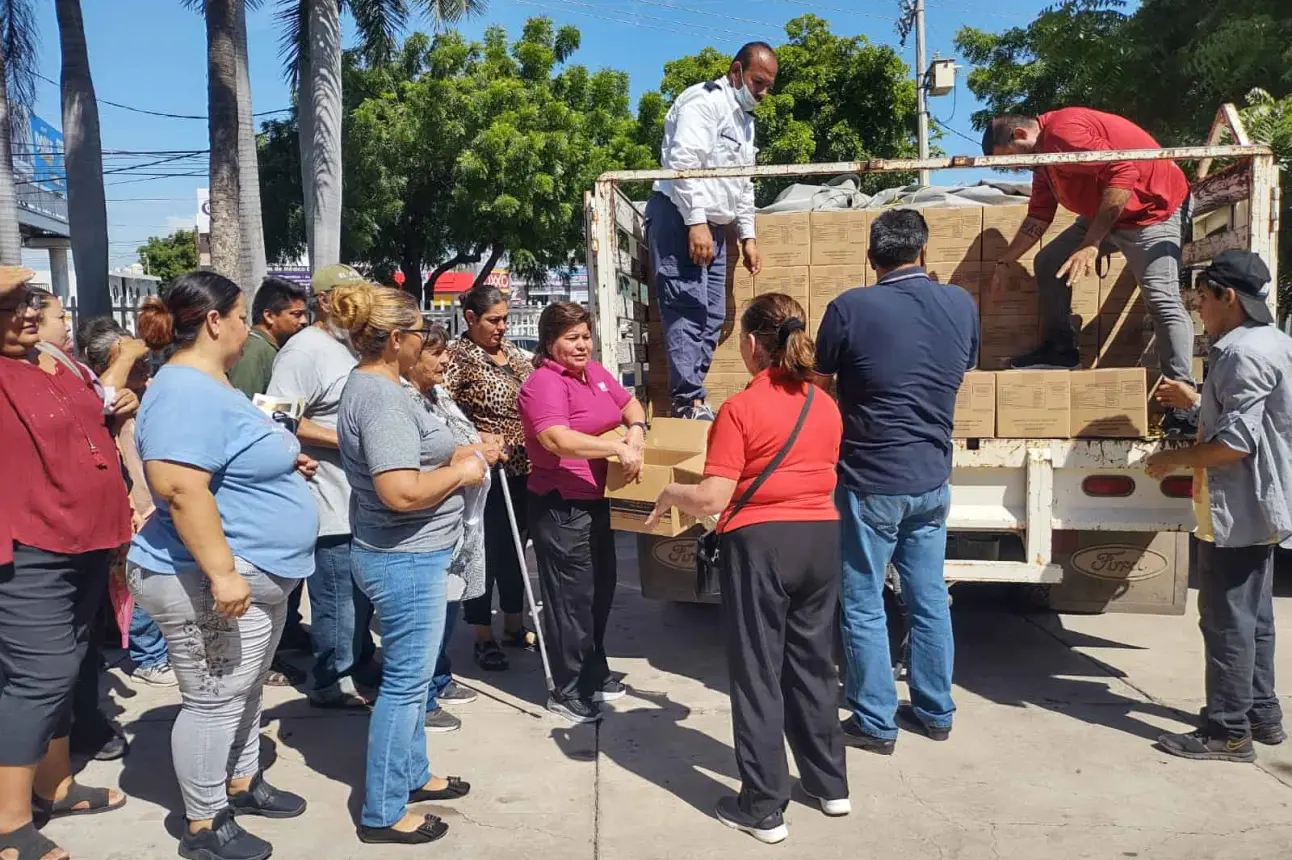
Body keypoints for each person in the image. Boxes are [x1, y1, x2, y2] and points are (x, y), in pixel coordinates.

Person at [646, 293, 849, 845]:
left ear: (755, 345)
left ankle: (763, 807)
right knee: (813, 664)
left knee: (758, 673)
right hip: (823, 538)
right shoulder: (825, 405)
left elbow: (712, 498)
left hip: (762, 543)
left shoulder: (740, 409)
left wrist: (669, 491)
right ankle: (830, 785)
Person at [128, 272, 317, 860]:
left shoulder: (215, 382)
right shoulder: (185, 388)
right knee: (214, 698)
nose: (247, 327)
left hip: (256, 574)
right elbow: (181, 488)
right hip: (203, 577)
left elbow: (232, 457)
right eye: (240, 317)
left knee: (243, 689)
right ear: (216, 321)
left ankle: (241, 779)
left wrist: (286, 465)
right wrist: (223, 573)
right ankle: (204, 823)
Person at [816, 209, 978, 754]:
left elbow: (819, 387)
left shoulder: (850, 307)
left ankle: (875, 720)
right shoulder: (959, 303)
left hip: (870, 478)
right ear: (924, 253)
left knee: (863, 600)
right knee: (929, 597)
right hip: (932, 476)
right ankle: (935, 710)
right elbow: (961, 367)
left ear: (871, 259)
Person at [332, 284, 486, 845]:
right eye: (420, 333)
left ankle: (413, 774)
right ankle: (383, 810)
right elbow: (398, 490)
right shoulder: (380, 398)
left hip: (406, 553)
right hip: (404, 559)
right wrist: (463, 471)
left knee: (412, 680)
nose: (426, 343)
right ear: (396, 338)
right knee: (404, 686)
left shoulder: (385, 388)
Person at [0, 266, 131, 860]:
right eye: (9, 307)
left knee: (71, 663)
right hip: (29, 548)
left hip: (85, 541)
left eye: (28, 302)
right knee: (38, 678)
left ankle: (55, 784)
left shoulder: (51, 359)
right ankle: (8, 825)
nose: (26, 315)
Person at [1146, 250, 1291, 763]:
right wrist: (1196, 399)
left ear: (1228, 298)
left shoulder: (1238, 353)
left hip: (1238, 505)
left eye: (1202, 300)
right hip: (1264, 505)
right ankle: (1262, 714)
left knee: (1226, 620)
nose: (1198, 311)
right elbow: (1248, 411)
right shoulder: (1273, 343)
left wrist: (1173, 459)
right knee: (1254, 617)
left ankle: (1227, 733)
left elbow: (1234, 446)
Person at [982, 109, 1195, 436]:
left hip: (1152, 211)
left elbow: (1124, 171)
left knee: (1162, 300)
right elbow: (1039, 217)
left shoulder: (1065, 132)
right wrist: (1005, 262)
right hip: (1106, 214)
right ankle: (1061, 350)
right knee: (1048, 262)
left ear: (1019, 136)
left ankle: (1183, 402)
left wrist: (1092, 242)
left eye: (1008, 159)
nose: (1013, 168)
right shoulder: (1044, 164)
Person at [517, 302, 647, 724]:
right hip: (562, 505)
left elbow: (632, 406)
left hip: (599, 501)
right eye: (571, 338)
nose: (581, 345)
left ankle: (594, 669)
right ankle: (567, 687)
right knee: (570, 599)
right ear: (550, 342)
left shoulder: (595, 375)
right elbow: (556, 439)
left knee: (600, 590)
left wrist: (636, 431)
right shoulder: (544, 383)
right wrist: (615, 447)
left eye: (585, 336)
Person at [29, 290, 140, 762]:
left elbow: (100, 402)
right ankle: (65, 741)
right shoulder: (37, 368)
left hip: (87, 532)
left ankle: (79, 730)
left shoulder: (64, 366)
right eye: (58, 316)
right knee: (58, 653)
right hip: (54, 535)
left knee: (83, 640)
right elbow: (94, 405)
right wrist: (126, 361)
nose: (66, 324)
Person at [646, 41, 777, 420]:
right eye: (758, 83)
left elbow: (744, 182)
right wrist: (696, 222)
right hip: (681, 217)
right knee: (687, 309)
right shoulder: (702, 103)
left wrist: (747, 235)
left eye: (768, 85)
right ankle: (688, 402)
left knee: (713, 316)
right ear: (736, 72)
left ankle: (693, 396)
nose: (764, 93)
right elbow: (682, 163)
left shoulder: (744, 121)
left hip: (716, 228)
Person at [267, 263, 378, 708]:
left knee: (361, 596)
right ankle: (331, 681)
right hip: (328, 499)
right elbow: (275, 417)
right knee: (336, 599)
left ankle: (360, 661)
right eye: (351, 296)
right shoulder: (303, 351)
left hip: (361, 499)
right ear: (327, 300)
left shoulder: (350, 347)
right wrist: (344, 440)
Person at [405, 323, 506, 733]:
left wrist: (483, 442)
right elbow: (428, 454)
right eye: (437, 354)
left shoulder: (439, 394)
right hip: (429, 524)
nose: (446, 360)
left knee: (449, 604)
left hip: (458, 521)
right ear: (412, 358)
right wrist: (475, 450)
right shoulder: (406, 402)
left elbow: (457, 437)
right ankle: (423, 698)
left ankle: (440, 677)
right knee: (429, 614)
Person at [78, 316, 176, 688]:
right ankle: (148, 656)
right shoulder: (108, 400)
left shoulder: (145, 393)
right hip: (134, 510)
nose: (145, 364)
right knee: (137, 587)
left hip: (155, 505)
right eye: (134, 360)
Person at [444, 286, 537, 672]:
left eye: (505, 319)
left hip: (523, 469)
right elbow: (440, 412)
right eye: (493, 320)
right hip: (484, 472)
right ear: (470, 318)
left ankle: (514, 623)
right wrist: (475, 440)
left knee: (516, 549)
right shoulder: (457, 357)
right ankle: (483, 633)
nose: (502, 327)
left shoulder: (515, 354)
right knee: (483, 553)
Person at [227, 275, 313, 686]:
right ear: (269, 315)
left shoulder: (275, 350)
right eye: (294, 314)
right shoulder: (256, 355)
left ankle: (288, 633)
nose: (302, 321)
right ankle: (269, 656)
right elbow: (247, 413)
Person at [228, 275, 310, 398]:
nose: (304, 321)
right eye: (297, 314)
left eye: (305, 314)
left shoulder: (271, 348)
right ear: (269, 316)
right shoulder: (253, 352)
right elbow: (241, 407)